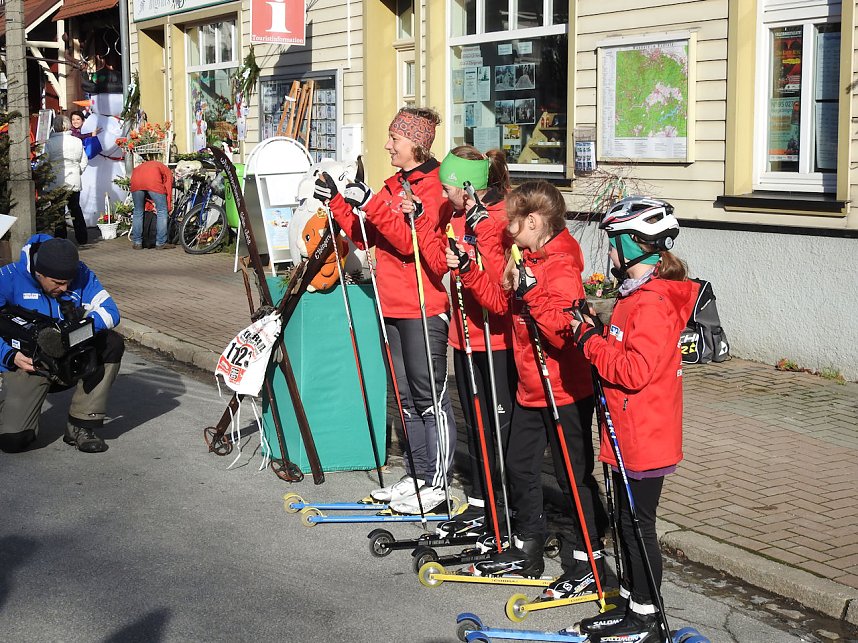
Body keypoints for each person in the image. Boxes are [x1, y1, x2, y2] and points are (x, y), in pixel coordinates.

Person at [461, 181, 608, 601]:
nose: (506, 229)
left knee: (570, 476)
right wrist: (469, 269)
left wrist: (533, 291)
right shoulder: (523, 256)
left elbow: (564, 333)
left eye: (512, 221)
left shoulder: (562, 265)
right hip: (531, 383)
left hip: (564, 387)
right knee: (519, 465)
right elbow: (501, 305)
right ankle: (529, 545)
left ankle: (587, 554)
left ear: (534, 220)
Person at [565, 196, 697, 640]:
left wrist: (588, 342)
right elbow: (626, 352)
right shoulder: (636, 296)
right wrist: (597, 329)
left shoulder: (653, 303)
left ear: (636, 244)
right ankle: (633, 604)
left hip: (644, 433)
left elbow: (634, 371)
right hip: (629, 428)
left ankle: (649, 619)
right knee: (625, 522)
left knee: (638, 525)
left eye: (614, 242)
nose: (610, 252)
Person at [315, 107, 457, 514]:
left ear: (416, 143)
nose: (387, 145)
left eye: (395, 139)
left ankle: (439, 483)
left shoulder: (434, 188)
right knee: (406, 399)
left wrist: (374, 203)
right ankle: (418, 473)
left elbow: (413, 241)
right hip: (390, 300)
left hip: (422, 304)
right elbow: (370, 236)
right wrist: (340, 205)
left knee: (429, 395)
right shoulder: (395, 184)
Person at [407, 146, 516, 538]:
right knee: (475, 426)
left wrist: (472, 260)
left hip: (495, 342)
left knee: (496, 429)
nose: (442, 195)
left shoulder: (499, 219)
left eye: (447, 188)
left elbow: (499, 290)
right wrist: (421, 219)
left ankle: (504, 507)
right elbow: (438, 265)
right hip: (463, 336)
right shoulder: (454, 215)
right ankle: (481, 502)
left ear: (466, 188)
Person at [0, 235, 124, 453]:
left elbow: (111, 312)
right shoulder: (8, 278)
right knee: (14, 441)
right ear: (39, 273)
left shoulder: (81, 273)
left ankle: (80, 425)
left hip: (67, 356)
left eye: (69, 281)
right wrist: (9, 355)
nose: (66, 288)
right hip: (26, 363)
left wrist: (70, 335)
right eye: (57, 283)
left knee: (111, 342)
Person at [44, 115, 89, 245]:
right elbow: (84, 160)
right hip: (74, 179)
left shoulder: (50, 143)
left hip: (55, 180)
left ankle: (60, 238)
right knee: (75, 208)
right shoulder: (76, 141)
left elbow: (45, 161)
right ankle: (82, 237)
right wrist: (77, 171)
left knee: (58, 210)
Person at [130, 156, 174, 250]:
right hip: (152, 181)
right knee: (162, 211)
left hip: (135, 181)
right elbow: (168, 188)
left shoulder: (141, 166)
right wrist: (169, 206)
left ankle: (137, 243)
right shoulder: (167, 170)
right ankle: (161, 243)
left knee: (138, 211)